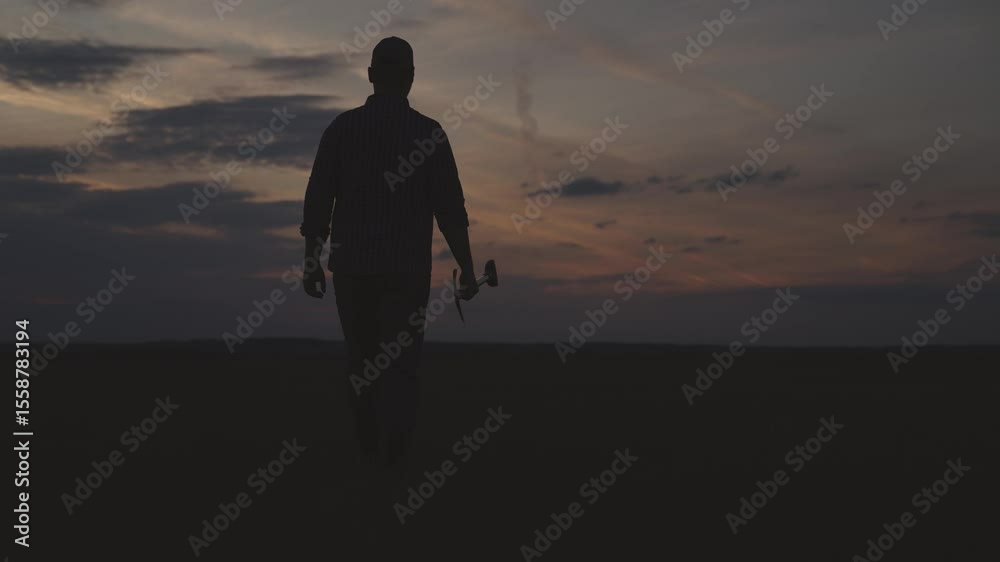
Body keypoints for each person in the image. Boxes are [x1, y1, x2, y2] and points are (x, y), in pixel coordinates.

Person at [299, 36, 477, 473]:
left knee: (361, 362)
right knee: (401, 366)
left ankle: (368, 454)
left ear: (371, 75)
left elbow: (318, 201)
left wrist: (311, 261)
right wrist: (468, 268)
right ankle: (393, 463)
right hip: (406, 271)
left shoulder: (341, 129)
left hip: (353, 270)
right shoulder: (429, 134)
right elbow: (450, 210)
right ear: (411, 78)